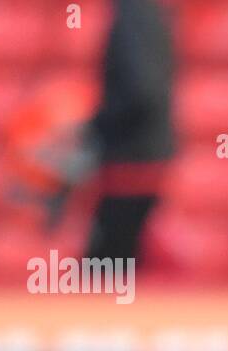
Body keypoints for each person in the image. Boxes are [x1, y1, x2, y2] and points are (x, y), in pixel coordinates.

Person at [84, 0, 177, 262]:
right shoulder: (148, 11)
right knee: (121, 260)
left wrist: (97, 123)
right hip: (143, 154)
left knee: (108, 265)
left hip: (131, 158)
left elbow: (142, 88)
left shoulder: (134, 12)